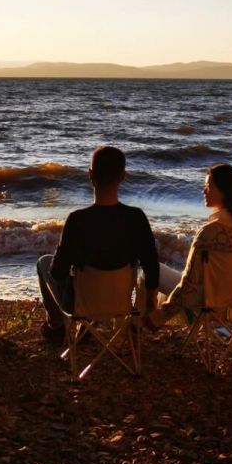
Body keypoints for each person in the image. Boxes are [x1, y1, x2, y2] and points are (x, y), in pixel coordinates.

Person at [37, 144, 160, 343]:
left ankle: (57, 327)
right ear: (123, 176)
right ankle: (89, 328)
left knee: (43, 262)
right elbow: (151, 265)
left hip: (80, 306)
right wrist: (152, 299)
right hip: (122, 304)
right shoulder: (136, 218)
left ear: (90, 175)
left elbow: (57, 273)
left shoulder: (77, 220)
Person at [155, 162, 232, 324]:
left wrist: (161, 316)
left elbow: (188, 285)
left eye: (208, 186)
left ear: (224, 191)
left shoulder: (209, 232)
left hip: (207, 301)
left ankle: (136, 332)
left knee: (149, 272)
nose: (203, 191)